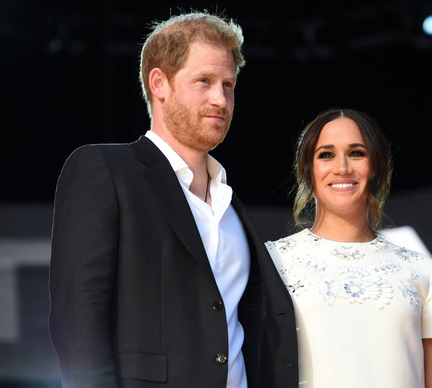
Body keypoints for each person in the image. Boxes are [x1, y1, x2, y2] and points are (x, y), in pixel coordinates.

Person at [48, 11, 298, 388]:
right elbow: (77, 319)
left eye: (228, 85)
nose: (220, 98)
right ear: (159, 83)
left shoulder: (230, 203)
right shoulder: (104, 169)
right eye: (204, 81)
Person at [265, 108, 432, 387]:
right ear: (308, 171)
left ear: (376, 168)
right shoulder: (271, 263)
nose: (342, 167)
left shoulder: (423, 272)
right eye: (326, 154)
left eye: (357, 152)